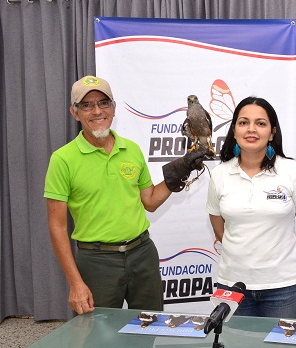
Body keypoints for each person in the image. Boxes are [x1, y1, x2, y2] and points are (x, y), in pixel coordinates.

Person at [44, 75, 206, 315]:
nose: (97, 111)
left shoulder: (131, 149)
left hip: (143, 254)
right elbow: (57, 226)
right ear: (75, 113)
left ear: (113, 108)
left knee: (150, 328)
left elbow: (150, 201)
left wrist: (180, 169)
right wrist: (75, 283)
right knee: (97, 338)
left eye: (103, 103)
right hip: (96, 261)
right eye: (86, 105)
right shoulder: (62, 159)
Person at [206, 96, 296, 318]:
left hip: (284, 287)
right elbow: (219, 227)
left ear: (272, 132)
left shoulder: (292, 172)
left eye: (261, 123)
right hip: (232, 286)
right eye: (244, 122)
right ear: (234, 131)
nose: (251, 129)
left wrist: (286, 261)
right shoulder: (219, 175)